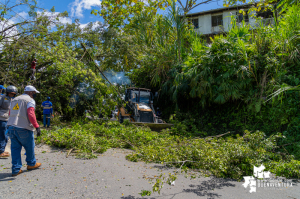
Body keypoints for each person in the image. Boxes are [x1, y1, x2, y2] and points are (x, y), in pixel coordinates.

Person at [6, 85, 42, 176]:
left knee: (15, 149)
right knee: (29, 146)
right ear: (30, 92)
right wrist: (37, 126)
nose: (34, 95)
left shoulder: (14, 100)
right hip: (24, 128)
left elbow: (10, 113)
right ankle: (31, 164)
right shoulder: (30, 100)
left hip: (11, 127)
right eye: (34, 93)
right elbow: (31, 113)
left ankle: (16, 169)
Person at [0, 85, 18, 158]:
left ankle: (2, 150)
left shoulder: (11, 99)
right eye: (11, 93)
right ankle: (1, 152)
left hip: (8, 119)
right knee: (3, 136)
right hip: (2, 119)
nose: (12, 95)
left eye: (13, 94)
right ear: (7, 92)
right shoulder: (2, 98)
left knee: (5, 136)